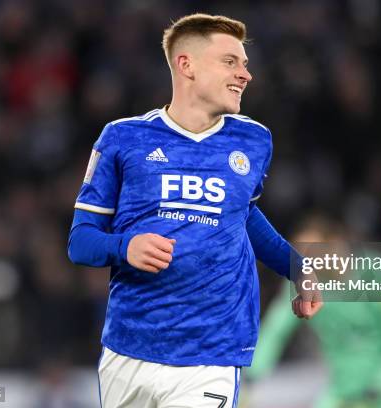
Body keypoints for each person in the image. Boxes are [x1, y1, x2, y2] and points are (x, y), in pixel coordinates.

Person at [67, 13, 322, 408]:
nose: (245, 75)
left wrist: (297, 268)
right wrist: (125, 247)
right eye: (230, 62)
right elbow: (80, 242)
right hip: (130, 347)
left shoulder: (253, 140)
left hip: (212, 352)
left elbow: (242, 216)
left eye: (245, 64)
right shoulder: (123, 138)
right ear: (186, 65)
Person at [247, 215, 381, 408]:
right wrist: (250, 374)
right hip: (345, 394)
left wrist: (377, 387)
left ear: (335, 243)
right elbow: (275, 329)